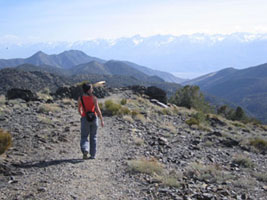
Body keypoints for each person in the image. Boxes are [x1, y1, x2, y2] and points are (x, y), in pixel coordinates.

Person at [78, 83, 104, 159]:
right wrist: (101, 119)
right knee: (93, 137)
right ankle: (93, 155)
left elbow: (79, 109)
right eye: (91, 88)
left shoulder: (80, 98)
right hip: (94, 118)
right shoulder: (94, 98)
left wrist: (82, 116)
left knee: (84, 136)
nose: (92, 90)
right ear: (88, 90)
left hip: (85, 118)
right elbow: (98, 110)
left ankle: (85, 149)